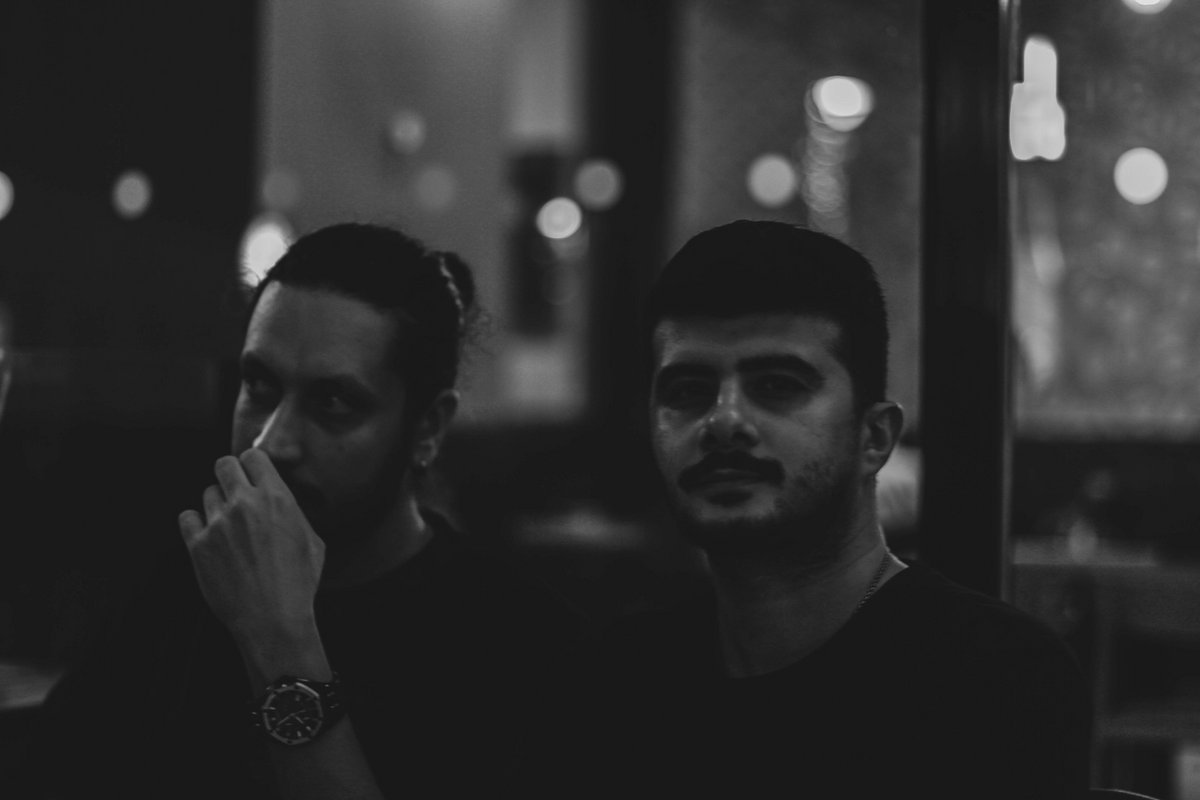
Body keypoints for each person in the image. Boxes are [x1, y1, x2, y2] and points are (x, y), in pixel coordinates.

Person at [28, 223, 587, 799]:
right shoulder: (179, 584)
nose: (272, 443)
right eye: (259, 385)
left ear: (427, 428)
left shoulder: (520, 647)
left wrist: (277, 636)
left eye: (335, 403)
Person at [590, 220, 1092, 798]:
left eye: (777, 385)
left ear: (874, 438)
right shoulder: (624, 676)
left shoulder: (996, 680)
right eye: (687, 392)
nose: (723, 420)